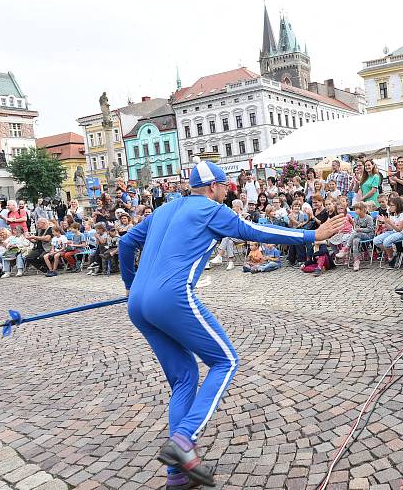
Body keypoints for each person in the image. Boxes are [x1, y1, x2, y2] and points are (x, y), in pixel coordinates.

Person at [118, 160, 343, 487]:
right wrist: (312, 233)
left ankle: (177, 476)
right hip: (171, 297)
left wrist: (129, 285)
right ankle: (183, 440)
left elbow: (126, 244)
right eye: (225, 186)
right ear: (212, 188)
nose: (227, 191)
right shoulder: (211, 209)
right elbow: (254, 231)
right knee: (226, 361)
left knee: (184, 378)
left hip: (138, 303)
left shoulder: (165, 209)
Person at [336, 202, 374, 271]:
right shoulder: (356, 218)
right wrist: (357, 230)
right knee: (355, 241)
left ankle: (346, 248)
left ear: (363, 209)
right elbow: (356, 228)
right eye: (355, 209)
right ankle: (356, 260)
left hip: (368, 235)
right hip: (358, 235)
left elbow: (370, 229)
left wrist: (359, 229)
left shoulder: (369, 218)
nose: (355, 210)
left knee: (355, 233)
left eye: (357, 209)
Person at [373, 197, 403, 266]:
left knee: (386, 241)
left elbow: (399, 229)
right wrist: (386, 222)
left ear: (398, 205)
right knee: (376, 240)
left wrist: (390, 222)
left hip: (402, 233)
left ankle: (391, 257)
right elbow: (390, 229)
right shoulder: (393, 215)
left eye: (392, 205)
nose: (390, 207)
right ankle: (392, 253)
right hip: (393, 232)